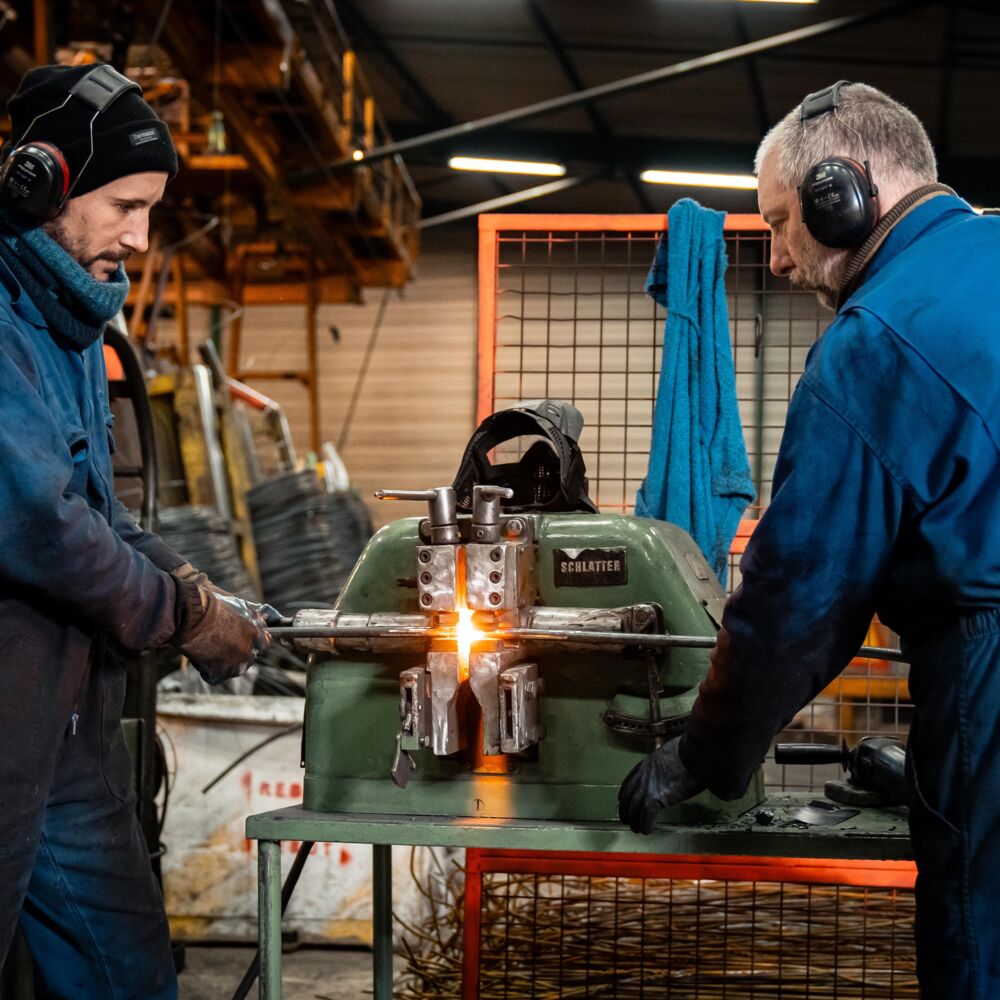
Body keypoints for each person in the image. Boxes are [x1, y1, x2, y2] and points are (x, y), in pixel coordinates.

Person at [618, 81, 1000, 998]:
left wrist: (703, 754)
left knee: (982, 949)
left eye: (784, 222)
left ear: (844, 194)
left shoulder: (874, 343)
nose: (780, 259)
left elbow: (799, 604)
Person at [0, 64, 275, 998]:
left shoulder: (69, 321)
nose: (142, 236)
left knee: (128, 976)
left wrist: (202, 593)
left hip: (69, 727)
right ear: (42, 181)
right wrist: (184, 616)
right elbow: (38, 525)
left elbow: (102, 512)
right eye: (125, 204)